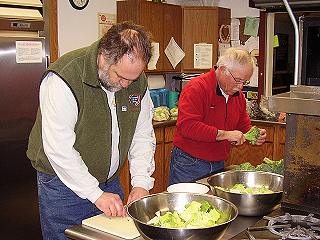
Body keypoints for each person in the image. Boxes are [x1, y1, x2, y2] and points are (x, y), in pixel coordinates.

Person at [27, 21, 156, 240]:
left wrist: (141, 183)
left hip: (109, 183)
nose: (126, 85)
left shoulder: (135, 81)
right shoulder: (63, 78)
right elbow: (59, 149)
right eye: (121, 76)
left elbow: (142, 134)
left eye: (133, 78)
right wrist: (95, 194)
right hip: (62, 186)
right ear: (104, 57)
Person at [169, 48, 267, 185]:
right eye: (238, 80)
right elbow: (188, 126)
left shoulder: (237, 96)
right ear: (222, 70)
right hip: (189, 164)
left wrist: (254, 134)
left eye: (245, 82)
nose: (240, 87)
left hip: (218, 163)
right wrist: (225, 135)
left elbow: (243, 125)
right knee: (186, 205)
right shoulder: (196, 88)